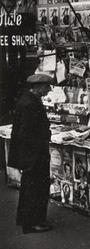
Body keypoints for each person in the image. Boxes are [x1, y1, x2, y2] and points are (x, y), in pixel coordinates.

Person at [8, 73, 55, 234]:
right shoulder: (30, 104)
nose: (49, 89)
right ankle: (32, 223)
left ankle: (32, 220)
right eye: (47, 86)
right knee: (35, 189)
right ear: (38, 86)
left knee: (32, 188)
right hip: (34, 155)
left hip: (32, 154)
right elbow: (26, 133)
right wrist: (32, 155)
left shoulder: (29, 99)